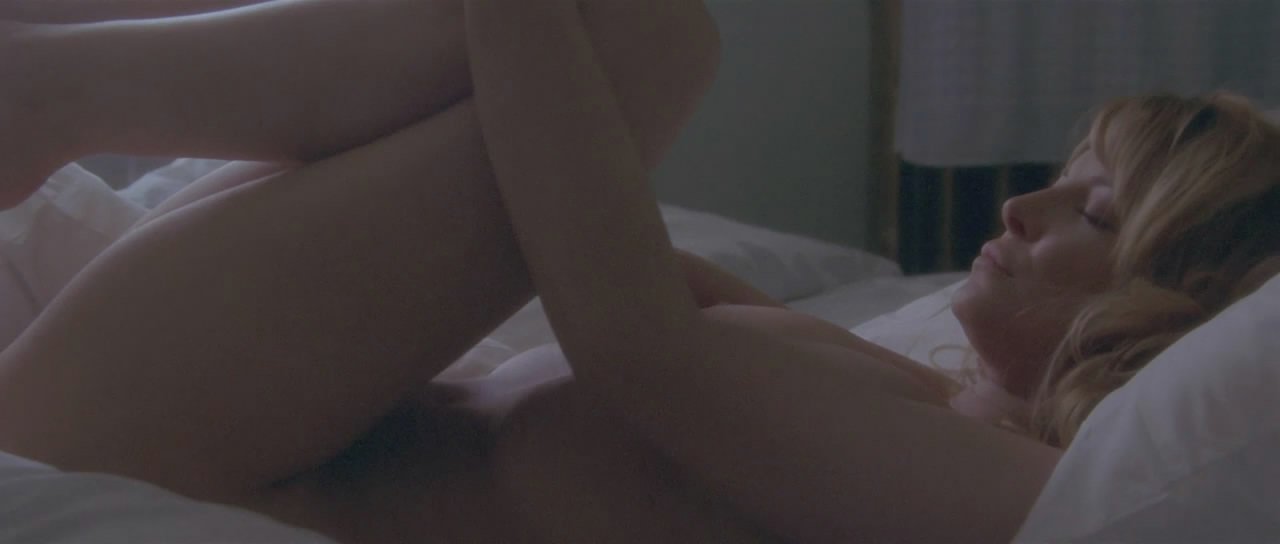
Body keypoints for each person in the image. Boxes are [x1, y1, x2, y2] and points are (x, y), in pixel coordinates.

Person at [0, 1, 1277, 543]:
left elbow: (634, 341)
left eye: (1091, 210)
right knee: (636, 37)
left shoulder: (1010, 498)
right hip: (232, 412)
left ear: (1168, 295)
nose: (1017, 205)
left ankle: (44, 79)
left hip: (176, 452)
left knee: (650, 39)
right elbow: (623, 260)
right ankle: (46, 74)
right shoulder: (909, 386)